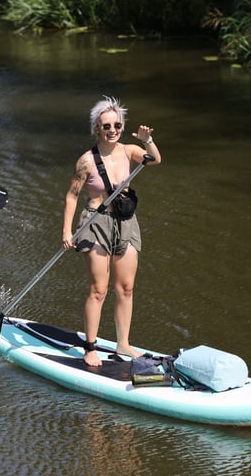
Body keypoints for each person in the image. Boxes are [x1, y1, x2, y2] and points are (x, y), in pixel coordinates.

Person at [61, 96, 162, 367]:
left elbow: (155, 159)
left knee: (126, 288)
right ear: (97, 128)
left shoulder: (129, 151)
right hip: (95, 224)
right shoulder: (86, 161)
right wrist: (66, 231)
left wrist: (146, 140)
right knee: (99, 289)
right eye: (107, 126)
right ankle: (90, 346)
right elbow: (72, 196)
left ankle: (123, 343)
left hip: (126, 223)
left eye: (117, 125)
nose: (113, 130)